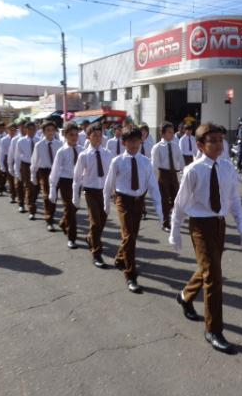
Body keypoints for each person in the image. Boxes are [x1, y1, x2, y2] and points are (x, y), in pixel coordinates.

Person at [169, 123, 242, 354]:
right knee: (213, 276)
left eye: (220, 140)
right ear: (200, 145)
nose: (218, 144)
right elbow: (180, 203)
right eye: (212, 140)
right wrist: (175, 232)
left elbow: (233, 198)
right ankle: (213, 329)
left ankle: (185, 296)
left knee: (208, 269)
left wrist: (241, 227)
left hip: (218, 224)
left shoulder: (227, 167)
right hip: (200, 225)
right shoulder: (193, 170)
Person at [104, 126, 163, 294]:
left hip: (139, 202)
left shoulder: (145, 162)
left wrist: (159, 210)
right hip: (123, 200)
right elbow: (109, 184)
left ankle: (120, 257)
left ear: (141, 141)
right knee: (129, 237)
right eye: (130, 141)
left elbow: (152, 185)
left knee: (132, 236)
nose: (134, 144)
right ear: (124, 143)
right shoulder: (117, 161)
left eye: (137, 141)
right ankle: (131, 276)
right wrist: (106, 204)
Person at [73, 123, 113, 268]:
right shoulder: (84, 155)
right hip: (90, 191)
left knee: (102, 221)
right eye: (94, 135)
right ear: (88, 137)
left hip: (104, 191)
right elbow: (77, 177)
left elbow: (111, 174)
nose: (97, 138)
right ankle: (97, 254)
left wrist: (113, 191)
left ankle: (91, 237)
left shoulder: (107, 153)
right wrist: (75, 197)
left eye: (99, 135)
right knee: (95, 222)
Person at [49, 122, 82, 249]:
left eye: (76, 134)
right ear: (65, 136)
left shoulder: (81, 149)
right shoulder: (61, 151)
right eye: (71, 135)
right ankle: (71, 237)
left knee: (74, 208)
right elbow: (55, 170)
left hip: (77, 182)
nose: (74, 137)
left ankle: (63, 222)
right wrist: (52, 189)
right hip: (65, 182)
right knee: (70, 208)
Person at [151, 122, 184, 231]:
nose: (172, 134)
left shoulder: (176, 145)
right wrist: (154, 181)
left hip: (174, 174)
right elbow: (154, 165)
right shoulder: (157, 147)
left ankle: (171, 216)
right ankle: (166, 222)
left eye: (172, 131)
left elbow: (181, 160)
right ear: (163, 134)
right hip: (163, 174)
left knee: (176, 199)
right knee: (165, 199)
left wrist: (183, 173)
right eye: (169, 132)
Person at [31, 121, 62, 231]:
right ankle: (49, 220)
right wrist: (33, 175)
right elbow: (34, 161)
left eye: (52, 130)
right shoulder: (39, 145)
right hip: (44, 172)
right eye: (48, 130)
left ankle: (51, 214)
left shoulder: (59, 144)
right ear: (43, 132)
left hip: (56, 171)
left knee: (54, 196)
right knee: (46, 195)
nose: (50, 132)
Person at [15, 122, 40, 220]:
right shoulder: (20, 141)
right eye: (29, 129)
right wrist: (16, 170)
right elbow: (17, 157)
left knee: (37, 187)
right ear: (26, 130)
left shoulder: (39, 140)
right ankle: (31, 209)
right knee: (29, 187)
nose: (31, 131)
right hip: (26, 165)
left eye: (33, 129)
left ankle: (31, 202)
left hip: (37, 166)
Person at [0, 123, 17, 201]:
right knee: (10, 178)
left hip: (17, 159)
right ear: (7, 130)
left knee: (19, 179)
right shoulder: (4, 140)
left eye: (14, 130)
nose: (12, 132)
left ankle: (19, 195)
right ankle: (13, 195)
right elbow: (1, 152)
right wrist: (1, 164)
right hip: (7, 159)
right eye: (10, 130)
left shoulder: (18, 139)